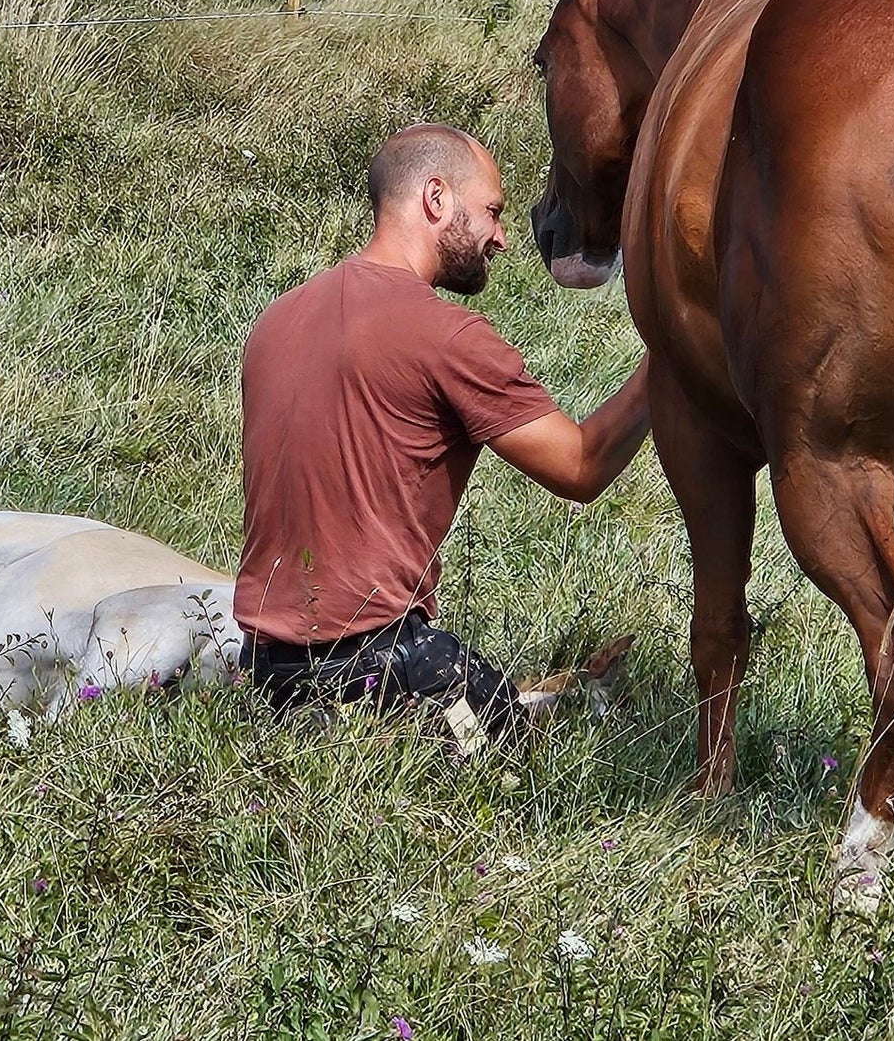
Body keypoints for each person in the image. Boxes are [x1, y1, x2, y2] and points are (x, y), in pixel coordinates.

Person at [234, 123, 650, 743]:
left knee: (514, 706)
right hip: (381, 672)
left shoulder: (276, 320)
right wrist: (671, 353)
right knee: (555, 744)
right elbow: (581, 467)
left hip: (265, 676)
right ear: (436, 199)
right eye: (492, 211)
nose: (502, 238)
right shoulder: (445, 336)